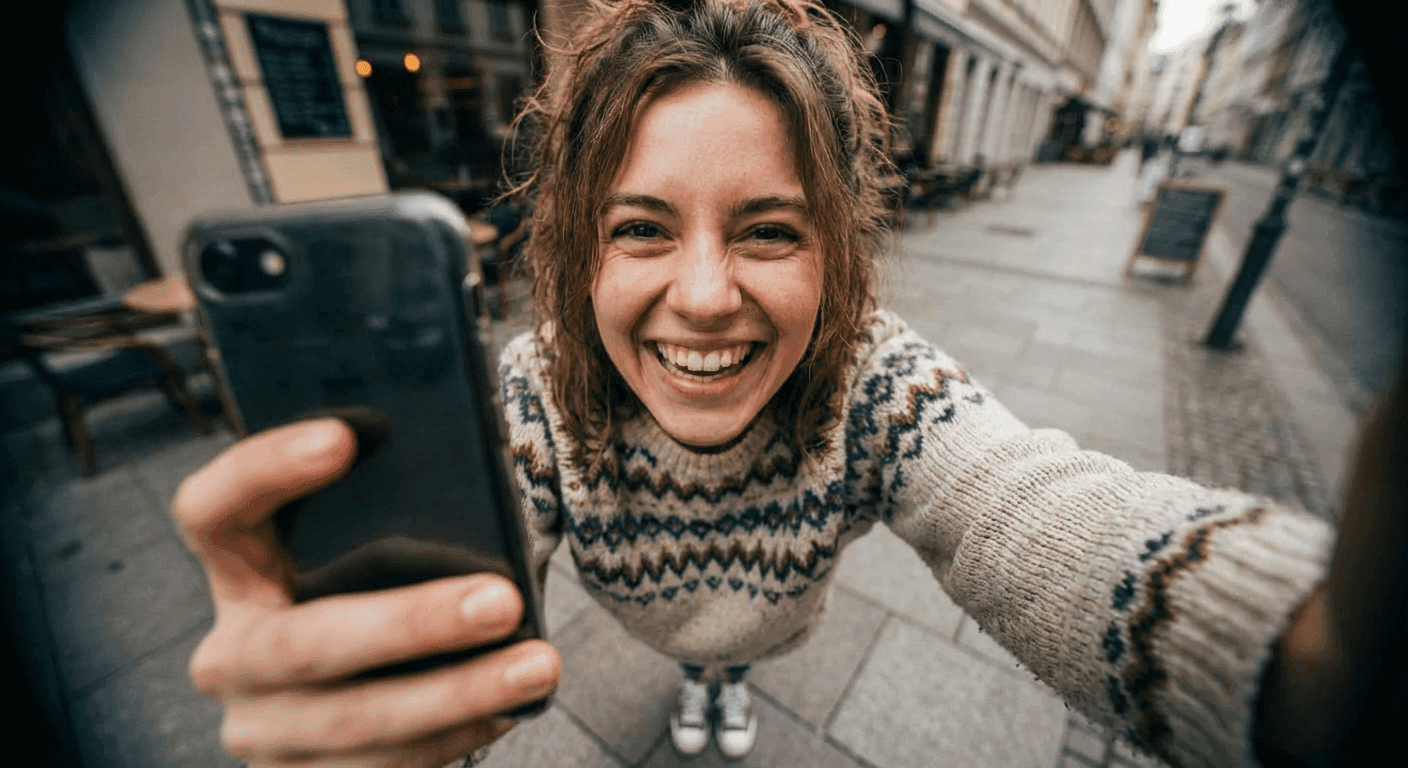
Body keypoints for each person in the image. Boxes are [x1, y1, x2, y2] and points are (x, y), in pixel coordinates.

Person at [171, 2, 1403, 767]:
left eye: (768, 230)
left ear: (838, 254)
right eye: (641, 229)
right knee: (689, 652)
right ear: (575, 254)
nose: (704, 295)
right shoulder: (541, 391)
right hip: (648, 610)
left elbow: (1011, 499)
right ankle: (703, 677)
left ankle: (718, 685)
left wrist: (1307, 657)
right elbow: (439, 622)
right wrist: (377, 710)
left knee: (727, 662)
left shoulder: (873, 374)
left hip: (772, 620)